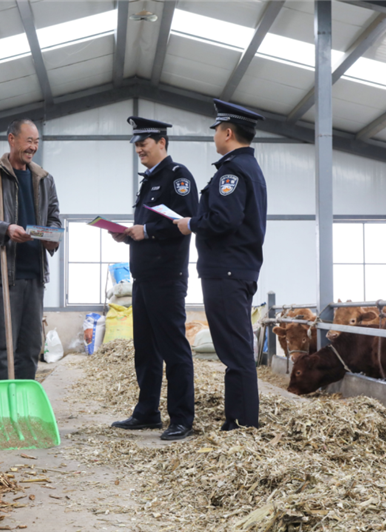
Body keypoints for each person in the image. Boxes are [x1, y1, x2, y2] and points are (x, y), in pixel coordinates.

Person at [174, 99, 268, 430]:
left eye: (217, 130)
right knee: (235, 346)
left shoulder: (233, 172)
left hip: (227, 270)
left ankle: (241, 423)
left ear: (228, 133)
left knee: (234, 350)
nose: (214, 135)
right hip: (236, 268)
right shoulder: (248, 169)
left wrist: (190, 223)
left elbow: (224, 219)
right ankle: (241, 419)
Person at [110, 116, 199, 441]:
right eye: (136, 144)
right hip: (144, 276)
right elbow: (151, 228)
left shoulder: (178, 177)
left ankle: (182, 418)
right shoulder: (149, 181)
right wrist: (128, 235)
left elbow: (185, 222)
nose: (138, 149)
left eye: (143, 143)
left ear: (162, 142)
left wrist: (145, 230)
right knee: (145, 349)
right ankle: (147, 412)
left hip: (166, 276)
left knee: (173, 348)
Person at [0, 119, 61, 381]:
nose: (33, 147)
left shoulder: (45, 180)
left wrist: (52, 237)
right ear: (12, 139)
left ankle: (24, 400)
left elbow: (54, 217)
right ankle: (4, 403)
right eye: (29, 141)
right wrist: (5, 229)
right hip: (3, 275)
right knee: (4, 347)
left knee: (31, 346)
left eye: (36, 142)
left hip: (35, 274)